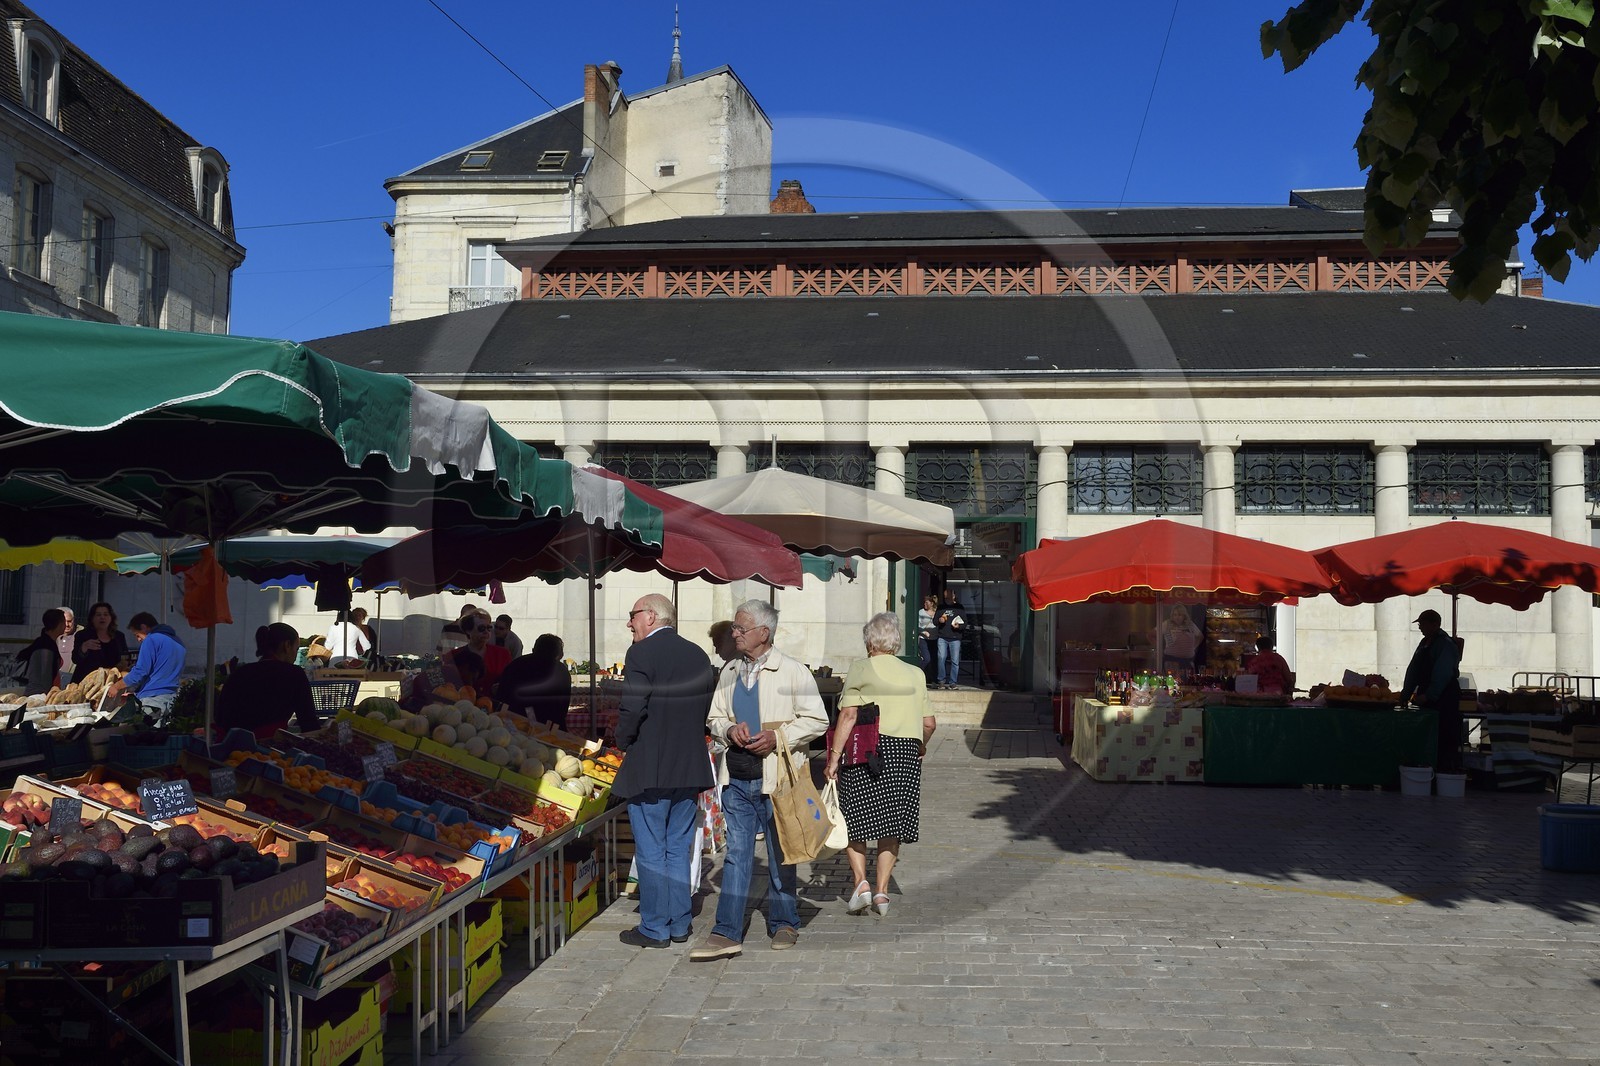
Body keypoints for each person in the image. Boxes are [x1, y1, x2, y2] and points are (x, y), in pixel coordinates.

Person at [693, 599, 828, 960]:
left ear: (763, 633)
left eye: (741, 628)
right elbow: (715, 717)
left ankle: (784, 921)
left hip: (777, 779)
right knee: (736, 856)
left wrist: (778, 737)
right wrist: (728, 729)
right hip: (736, 776)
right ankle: (726, 931)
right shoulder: (731, 671)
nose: (734, 633)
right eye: (735, 628)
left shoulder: (793, 672)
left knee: (780, 851)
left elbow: (817, 720)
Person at [612, 593, 716, 949]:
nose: (630, 623)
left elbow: (632, 706)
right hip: (688, 765)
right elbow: (705, 708)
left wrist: (622, 741)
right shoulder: (698, 654)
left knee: (653, 849)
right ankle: (678, 923)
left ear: (652, 616)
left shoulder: (641, 653)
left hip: (651, 766)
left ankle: (655, 927)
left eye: (633, 616)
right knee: (677, 847)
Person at [826, 612, 937, 918]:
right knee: (892, 821)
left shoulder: (862, 667)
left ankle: (861, 883)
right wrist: (921, 745)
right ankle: (882, 893)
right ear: (895, 642)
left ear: (869, 642)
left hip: (868, 749)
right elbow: (929, 723)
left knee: (855, 815)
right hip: (904, 753)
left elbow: (847, 716)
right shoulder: (915, 674)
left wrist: (834, 757)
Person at [215, 623, 320, 739]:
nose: (295, 655)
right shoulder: (294, 674)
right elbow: (309, 723)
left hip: (230, 745)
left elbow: (221, 715)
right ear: (287, 645)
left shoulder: (241, 672)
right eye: (296, 649)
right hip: (270, 750)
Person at [1400, 609, 1464, 773]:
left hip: (1444, 698)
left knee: (1444, 737)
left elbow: (1442, 673)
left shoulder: (1445, 644)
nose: (1420, 626)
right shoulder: (1424, 643)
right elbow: (1413, 669)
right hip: (1426, 697)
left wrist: (1429, 695)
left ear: (1434, 624)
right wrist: (1405, 694)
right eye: (1419, 623)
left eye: (1423, 623)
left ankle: (1442, 773)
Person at [104, 612, 186, 722]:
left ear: (143, 627)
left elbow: (140, 672)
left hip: (153, 699)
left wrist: (116, 686)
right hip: (172, 698)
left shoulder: (151, 640)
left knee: (150, 736)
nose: (138, 640)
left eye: (137, 635)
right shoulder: (178, 641)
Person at [498, 633, 571, 727]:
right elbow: (562, 708)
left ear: (533, 650)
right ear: (560, 655)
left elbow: (502, 696)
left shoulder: (516, 665)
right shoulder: (561, 671)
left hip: (514, 723)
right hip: (549, 728)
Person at [445, 610, 510, 693]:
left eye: (489, 628)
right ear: (468, 630)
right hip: (462, 703)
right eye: (481, 628)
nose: (486, 632)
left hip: (494, 703)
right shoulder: (453, 656)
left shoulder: (502, 654)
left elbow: (510, 680)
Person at [12, 609, 67, 695]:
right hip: (38, 695)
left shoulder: (45, 642)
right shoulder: (45, 647)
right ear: (59, 624)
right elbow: (43, 677)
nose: (66, 625)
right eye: (64, 621)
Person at [72, 601, 130, 676]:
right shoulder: (82, 635)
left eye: (106, 614)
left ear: (111, 618)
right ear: (92, 618)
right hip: (87, 680)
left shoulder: (119, 636)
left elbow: (125, 657)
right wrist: (84, 647)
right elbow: (75, 659)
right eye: (98, 615)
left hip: (111, 680)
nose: (102, 617)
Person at [933, 587, 966, 690]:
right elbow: (935, 621)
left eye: (949, 595)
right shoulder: (941, 607)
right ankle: (941, 681)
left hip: (955, 637)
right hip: (942, 637)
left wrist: (958, 627)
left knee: (955, 661)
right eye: (946, 595)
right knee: (941, 658)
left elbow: (965, 623)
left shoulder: (959, 608)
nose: (947, 597)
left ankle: (953, 682)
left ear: (954, 596)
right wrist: (940, 620)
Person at [1153, 605, 1202, 673]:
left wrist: (1193, 647)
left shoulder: (1190, 624)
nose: (1177, 617)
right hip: (1171, 661)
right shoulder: (1167, 624)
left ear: (1184, 616)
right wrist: (1159, 648)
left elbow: (1200, 636)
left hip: (1188, 662)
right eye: (1175, 615)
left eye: (1179, 615)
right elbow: (1150, 635)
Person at [54, 606, 78, 683]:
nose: (67, 625)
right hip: (54, 680)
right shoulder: (53, 636)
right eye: (63, 622)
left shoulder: (81, 635)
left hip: (73, 681)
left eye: (69, 621)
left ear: (73, 620)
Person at [917, 595, 937, 678]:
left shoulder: (937, 613)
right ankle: (918, 675)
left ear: (932, 603)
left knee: (934, 660)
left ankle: (932, 679)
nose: (924, 603)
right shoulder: (921, 612)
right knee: (926, 658)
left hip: (935, 638)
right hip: (923, 639)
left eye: (926, 602)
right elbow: (916, 625)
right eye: (924, 602)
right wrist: (923, 631)